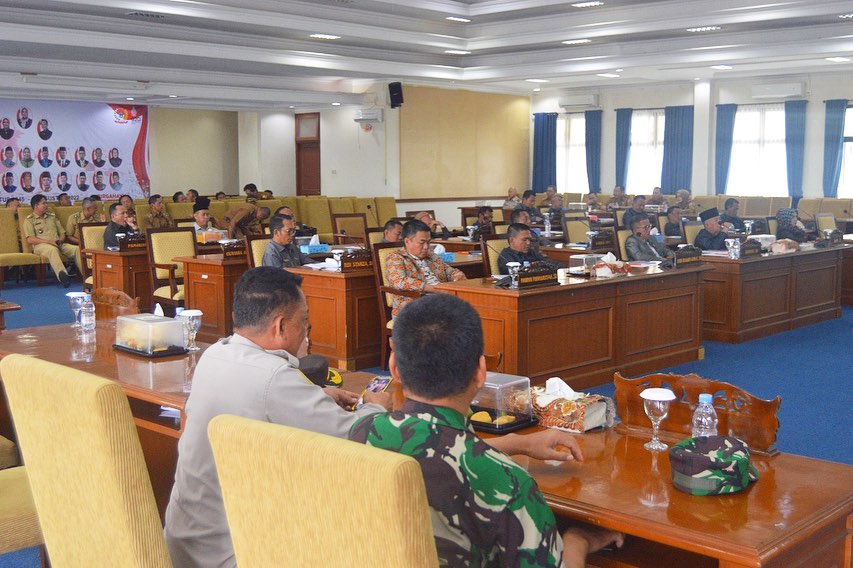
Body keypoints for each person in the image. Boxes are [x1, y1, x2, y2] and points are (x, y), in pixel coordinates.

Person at [349, 294, 624, 568]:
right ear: (482, 372)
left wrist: (518, 442)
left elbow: (438, 448)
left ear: (394, 368)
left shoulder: (361, 434)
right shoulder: (508, 482)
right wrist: (578, 539)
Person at [164, 267, 391, 568]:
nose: (307, 330)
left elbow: (256, 398)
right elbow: (356, 439)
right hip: (233, 552)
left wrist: (316, 396)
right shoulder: (275, 378)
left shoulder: (215, 354)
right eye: (305, 322)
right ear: (281, 326)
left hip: (184, 541)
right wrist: (375, 405)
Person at [386, 220, 465, 316]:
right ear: (407, 241)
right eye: (422, 242)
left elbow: (450, 271)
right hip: (413, 307)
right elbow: (400, 282)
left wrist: (457, 275)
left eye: (428, 242)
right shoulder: (396, 257)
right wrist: (434, 289)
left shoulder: (432, 256)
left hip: (442, 300)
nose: (426, 247)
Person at [24, 194, 81, 287]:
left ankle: (87, 276)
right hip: (41, 246)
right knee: (52, 250)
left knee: (76, 249)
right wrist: (49, 242)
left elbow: (62, 232)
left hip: (58, 243)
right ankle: (63, 276)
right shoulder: (29, 220)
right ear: (36, 206)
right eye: (44, 203)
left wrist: (60, 241)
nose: (47, 205)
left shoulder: (52, 217)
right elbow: (30, 239)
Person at [497, 223, 563, 274]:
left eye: (529, 239)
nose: (528, 243)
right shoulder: (505, 257)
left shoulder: (531, 252)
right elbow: (517, 274)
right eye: (524, 240)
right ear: (512, 240)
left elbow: (550, 263)